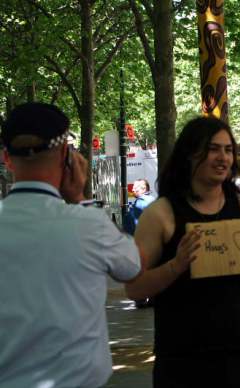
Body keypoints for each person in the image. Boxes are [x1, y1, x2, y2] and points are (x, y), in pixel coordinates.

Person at [0, 102, 142, 388]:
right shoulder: (89, 223)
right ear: (67, 155)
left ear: (6, 159)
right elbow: (131, 266)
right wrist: (78, 196)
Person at [124, 116, 240, 388]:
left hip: (239, 353)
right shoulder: (161, 214)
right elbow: (134, 289)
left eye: (228, 149)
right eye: (213, 149)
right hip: (182, 359)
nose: (222, 157)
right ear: (190, 154)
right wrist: (175, 266)